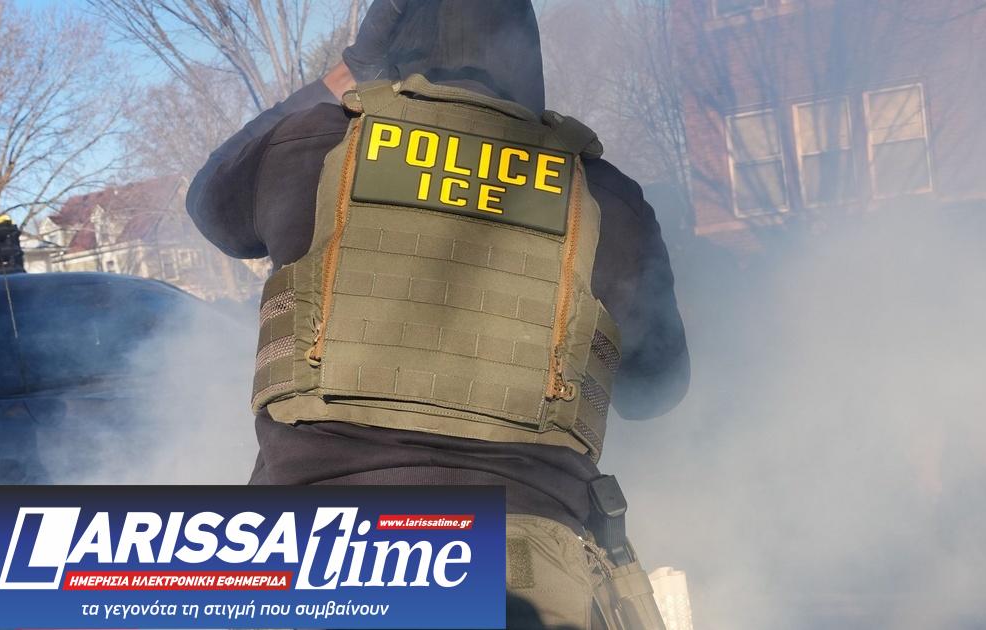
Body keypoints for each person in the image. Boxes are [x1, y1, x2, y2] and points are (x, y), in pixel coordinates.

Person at [185, 2, 690, 628]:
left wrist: (342, 77)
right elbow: (657, 389)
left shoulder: (309, 147)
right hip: (524, 570)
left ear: (387, 52)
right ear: (527, 57)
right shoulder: (605, 195)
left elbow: (209, 203)